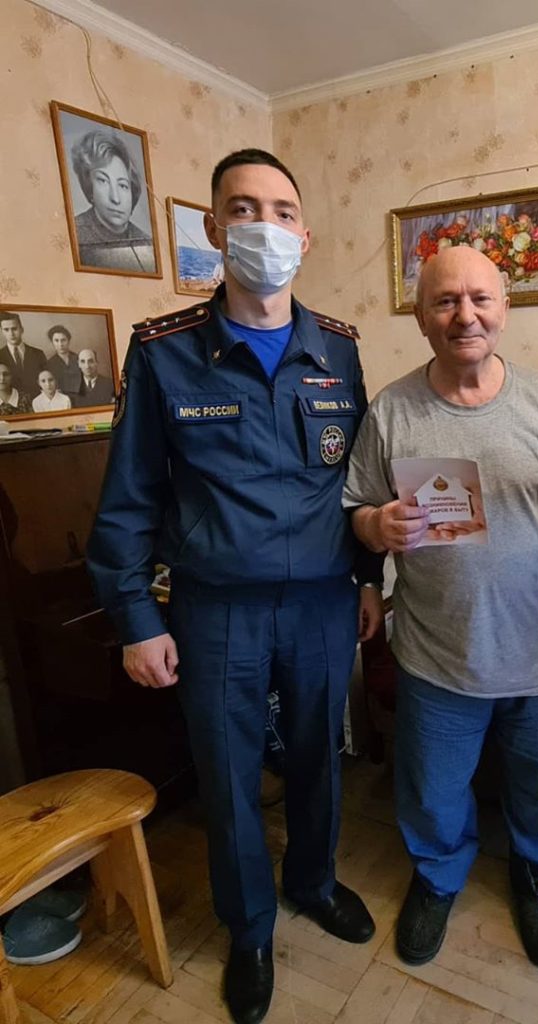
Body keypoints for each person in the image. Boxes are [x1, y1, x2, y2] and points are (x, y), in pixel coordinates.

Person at [87, 148, 383, 1024]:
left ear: (305, 234)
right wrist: (136, 619)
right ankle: (249, 927)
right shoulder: (165, 352)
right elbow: (129, 498)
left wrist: (371, 580)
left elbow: (362, 480)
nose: (265, 226)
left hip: (325, 601)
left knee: (319, 760)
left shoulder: (338, 348)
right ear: (216, 228)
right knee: (226, 775)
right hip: (217, 610)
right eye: (244, 209)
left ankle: (314, 882)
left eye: (282, 211)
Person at [343, 245, 538, 970]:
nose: (464, 316)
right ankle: (438, 878)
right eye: (445, 302)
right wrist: (378, 527)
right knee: (433, 790)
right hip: (434, 652)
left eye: (479, 299)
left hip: (532, 648)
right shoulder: (391, 410)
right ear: (420, 317)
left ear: (505, 308)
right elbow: (356, 509)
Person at [70, 129, 154, 273]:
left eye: (123, 185)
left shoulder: (146, 242)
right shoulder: (75, 232)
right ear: (89, 187)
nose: (115, 198)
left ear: (132, 191)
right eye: (103, 181)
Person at [0, 311, 47, 396]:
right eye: (6, 330)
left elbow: (46, 380)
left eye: (14, 329)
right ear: (2, 332)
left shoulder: (38, 354)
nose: (11, 334)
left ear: (22, 329)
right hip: (9, 402)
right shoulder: (0, 355)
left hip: (36, 401)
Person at [46, 325, 82, 395]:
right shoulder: (49, 364)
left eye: (63, 340)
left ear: (68, 341)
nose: (60, 344)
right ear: (52, 342)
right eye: (56, 341)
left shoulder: (79, 358)